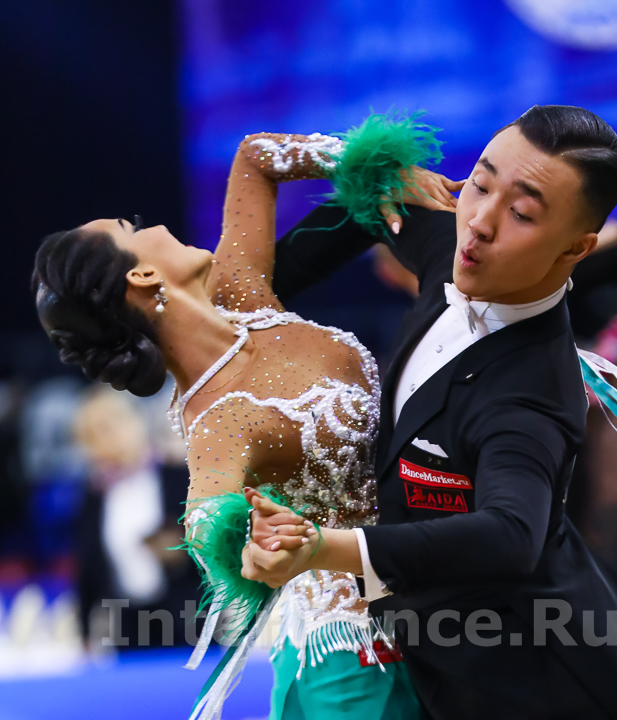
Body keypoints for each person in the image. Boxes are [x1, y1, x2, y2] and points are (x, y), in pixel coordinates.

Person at [244, 105, 617, 720]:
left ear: (577, 248)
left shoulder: (530, 393)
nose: (480, 222)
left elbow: (510, 535)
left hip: (524, 681)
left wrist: (322, 549)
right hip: (407, 650)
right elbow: (369, 202)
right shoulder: (456, 246)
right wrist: (249, 301)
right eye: (480, 182)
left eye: (521, 213)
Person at [32, 115, 460, 719]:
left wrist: (381, 169)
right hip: (356, 656)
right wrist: (248, 547)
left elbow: (256, 155)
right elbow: (209, 523)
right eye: (133, 228)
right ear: (142, 275)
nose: (154, 224)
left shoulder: (242, 295)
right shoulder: (217, 417)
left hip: (438, 608)